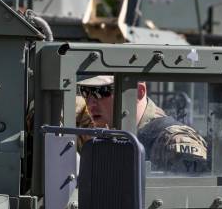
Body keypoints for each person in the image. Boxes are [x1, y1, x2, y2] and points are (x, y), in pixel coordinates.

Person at [77, 75, 208, 174]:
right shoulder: (108, 130)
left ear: (139, 92)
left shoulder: (173, 141)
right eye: (85, 92)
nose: (90, 103)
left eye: (102, 92)